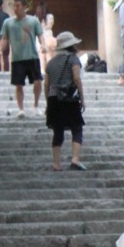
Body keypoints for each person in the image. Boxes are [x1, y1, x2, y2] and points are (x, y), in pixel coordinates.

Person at [43, 31, 87, 171]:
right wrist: (82, 97)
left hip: (54, 99)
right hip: (69, 98)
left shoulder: (50, 63)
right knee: (77, 127)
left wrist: (47, 102)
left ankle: (56, 163)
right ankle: (75, 159)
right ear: (72, 45)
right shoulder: (74, 59)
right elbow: (76, 79)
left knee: (58, 131)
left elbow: (46, 84)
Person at [0, 0, 45, 119]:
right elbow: (4, 38)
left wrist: (43, 45)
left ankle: (35, 105)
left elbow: (40, 35)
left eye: (18, 6)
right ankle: (21, 109)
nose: (15, 8)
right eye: (14, 6)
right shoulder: (8, 22)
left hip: (32, 56)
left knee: (37, 82)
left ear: (25, 7)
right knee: (19, 84)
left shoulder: (33, 21)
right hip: (17, 58)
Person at [35, 2, 56, 72]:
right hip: (48, 36)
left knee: (41, 55)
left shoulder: (35, 17)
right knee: (49, 54)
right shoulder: (50, 16)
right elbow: (50, 26)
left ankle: (42, 71)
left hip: (39, 37)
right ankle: (50, 71)